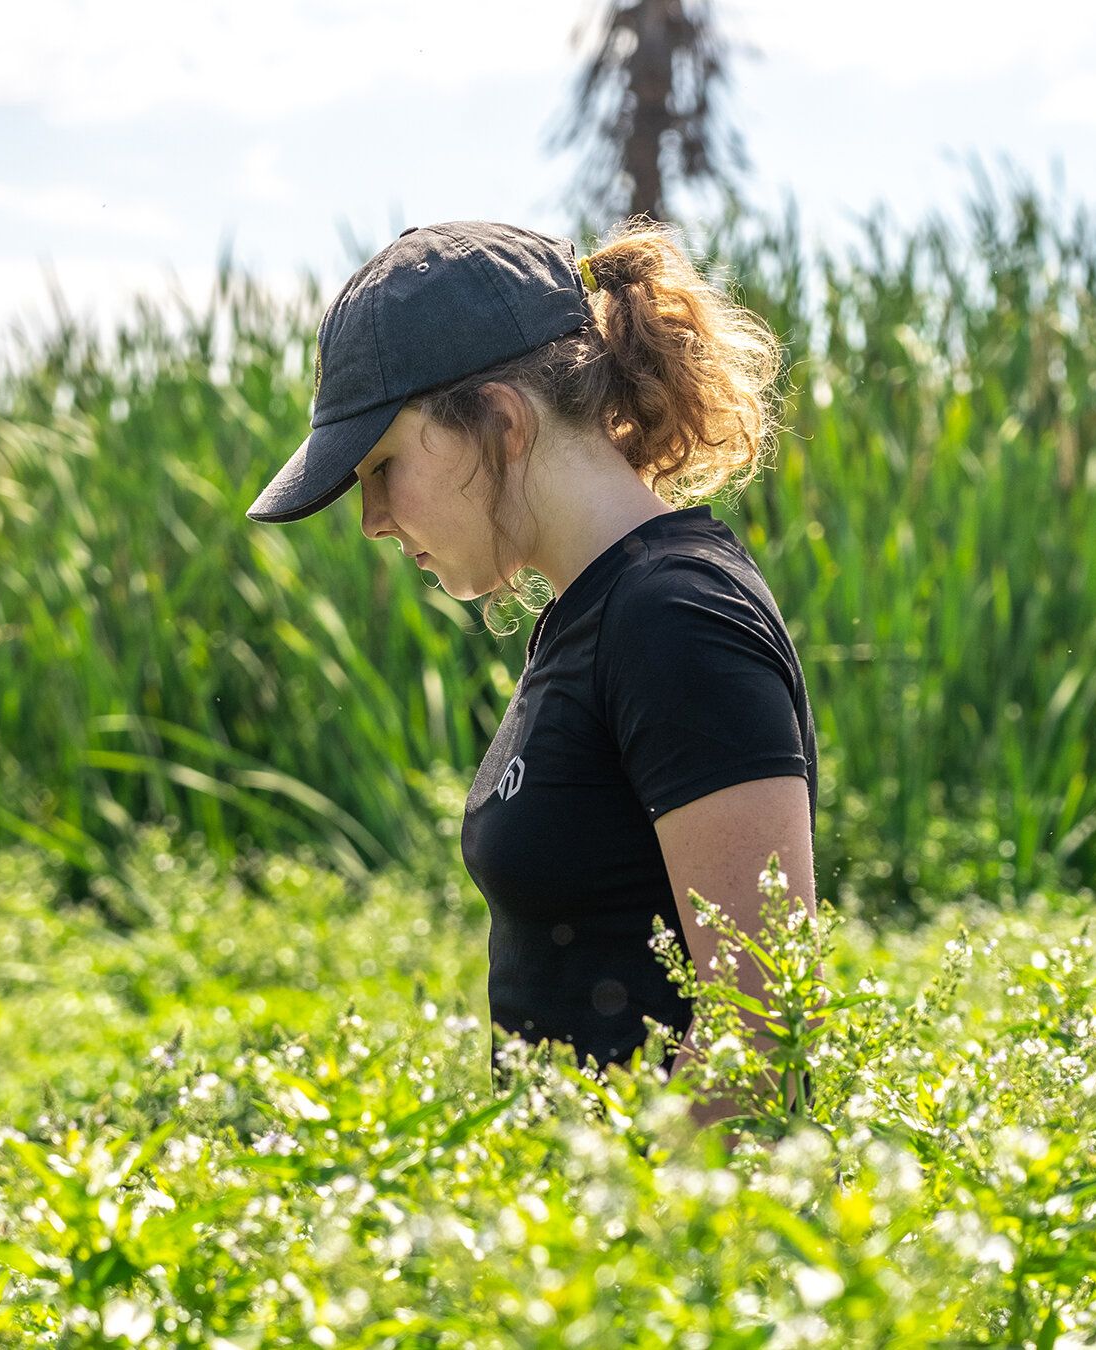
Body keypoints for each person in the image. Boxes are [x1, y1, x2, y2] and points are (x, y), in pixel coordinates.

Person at [246, 220, 818, 1119]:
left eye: (384, 466)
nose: (373, 521)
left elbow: (760, 1028)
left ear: (504, 423)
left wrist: (631, 1243)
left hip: (660, 1247)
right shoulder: (590, 617)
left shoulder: (676, 620)